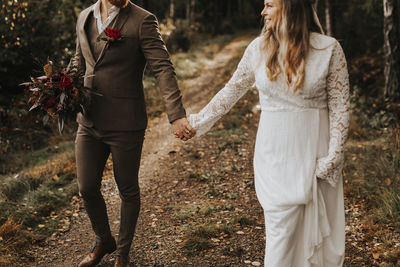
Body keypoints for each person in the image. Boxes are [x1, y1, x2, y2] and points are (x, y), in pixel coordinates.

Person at [186, 0, 350, 266]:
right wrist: (197, 123)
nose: (263, 12)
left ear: (290, 7)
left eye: (269, 5)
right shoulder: (257, 49)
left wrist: (333, 157)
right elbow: (231, 91)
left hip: (314, 152)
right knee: (280, 231)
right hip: (273, 154)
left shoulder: (329, 49)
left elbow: (340, 107)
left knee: (315, 237)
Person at [71, 0, 196, 266]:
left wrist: (176, 115)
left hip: (125, 122)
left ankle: (123, 253)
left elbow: (162, 67)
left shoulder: (143, 20)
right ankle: (104, 239)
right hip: (89, 120)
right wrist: (60, 91)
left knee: (127, 189)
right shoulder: (84, 17)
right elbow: (79, 60)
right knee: (87, 187)